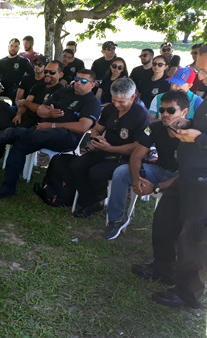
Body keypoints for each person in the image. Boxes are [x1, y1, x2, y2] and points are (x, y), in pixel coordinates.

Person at [131, 45, 207, 309]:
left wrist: (200, 139)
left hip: (204, 181)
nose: (201, 76)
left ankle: (188, 294)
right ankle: (163, 269)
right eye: (200, 70)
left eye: (205, 70)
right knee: (164, 221)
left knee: (194, 236)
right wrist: (189, 125)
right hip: (186, 174)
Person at [0, 70, 101, 200]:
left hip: (66, 137)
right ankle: (8, 187)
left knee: (46, 132)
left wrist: (52, 125)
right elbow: (40, 110)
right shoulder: (64, 91)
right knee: (20, 144)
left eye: (84, 81)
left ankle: (14, 132)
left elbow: (83, 127)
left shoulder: (92, 102)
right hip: (41, 132)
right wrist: (49, 114)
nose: (79, 82)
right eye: (77, 79)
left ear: (92, 85)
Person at [104, 90, 184, 240]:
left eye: (171, 110)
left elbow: (187, 176)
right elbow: (136, 156)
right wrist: (136, 179)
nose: (165, 114)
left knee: (180, 195)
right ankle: (117, 220)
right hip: (158, 169)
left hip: (180, 179)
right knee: (121, 172)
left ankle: (172, 242)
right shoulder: (155, 127)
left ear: (184, 111)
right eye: (162, 110)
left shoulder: (191, 134)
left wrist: (155, 187)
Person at [71, 78, 151, 218]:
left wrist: (111, 149)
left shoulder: (141, 115)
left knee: (97, 172)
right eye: (114, 100)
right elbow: (97, 129)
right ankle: (89, 199)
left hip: (126, 157)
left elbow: (139, 147)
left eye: (121, 102)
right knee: (77, 165)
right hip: (104, 149)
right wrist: (96, 138)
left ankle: (95, 200)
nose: (117, 104)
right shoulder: (110, 108)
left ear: (133, 97)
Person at [0, 61, 64, 183]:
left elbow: (40, 110)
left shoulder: (61, 91)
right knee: (0, 105)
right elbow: (23, 105)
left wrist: (27, 103)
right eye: (46, 71)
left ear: (60, 74)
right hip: (23, 118)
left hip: (37, 124)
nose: (47, 74)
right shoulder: (37, 86)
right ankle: (4, 131)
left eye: (52, 72)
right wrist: (19, 113)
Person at [0, 38, 33, 103]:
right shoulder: (1, 62)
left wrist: (24, 87)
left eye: (16, 46)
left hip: (18, 91)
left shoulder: (24, 61)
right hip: (4, 90)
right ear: (8, 47)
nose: (13, 48)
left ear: (19, 48)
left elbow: (32, 75)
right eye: (11, 46)